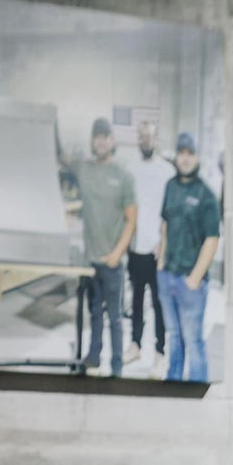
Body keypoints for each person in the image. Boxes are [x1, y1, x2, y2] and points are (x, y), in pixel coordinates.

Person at [158, 130, 222, 384]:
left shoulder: (206, 195)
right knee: (174, 336)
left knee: (193, 339)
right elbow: (164, 224)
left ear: (197, 157)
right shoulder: (170, 187)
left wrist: (195, 278)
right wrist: (161, 263)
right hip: (167, 276)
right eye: (181, 153)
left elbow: (212, 239)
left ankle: (196, 387)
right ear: (176, 157)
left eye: (190, 154)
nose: (185, 159)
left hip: (190, 283)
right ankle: (173, 382)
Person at [74, 117, 135, 378]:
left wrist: (116, 254)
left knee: (115, 317)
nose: (100, 140)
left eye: (104, 136)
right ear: (92, 141)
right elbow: (62, 158)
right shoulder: (84, 170)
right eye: (96, 136)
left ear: (113, 141)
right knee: (94, 312)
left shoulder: (123, 176)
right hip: (90, 260)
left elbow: (132, 220)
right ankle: (94, 355)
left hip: (111, 261)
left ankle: (117, 364)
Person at [126, 117, 174, 370]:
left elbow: (171, 212)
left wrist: (164, 245)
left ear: (157, 139)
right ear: (138, 140)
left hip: (158, 250)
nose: (146, 140)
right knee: (136, 301)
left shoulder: (167, 171)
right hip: (135, 247)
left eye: (150, 136)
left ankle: (159, 350)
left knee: (158, 303)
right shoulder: (130, 168)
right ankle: (135, 345)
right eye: (142, 136)